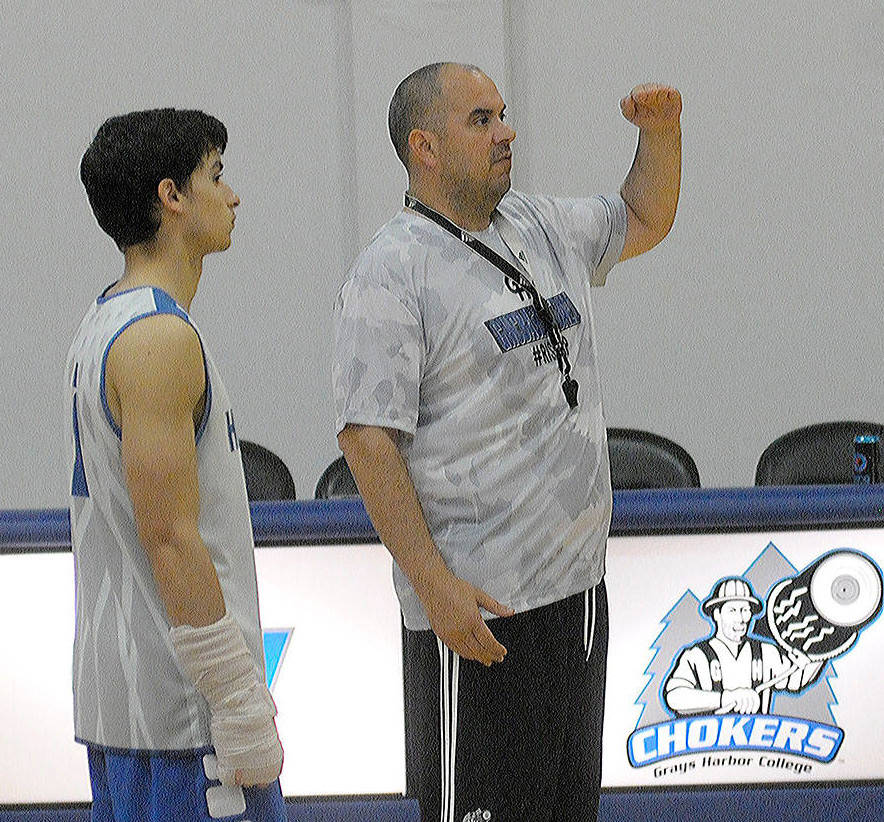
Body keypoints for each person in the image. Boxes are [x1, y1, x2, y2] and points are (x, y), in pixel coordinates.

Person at [333, 62, 681, 821]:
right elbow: (367, 440)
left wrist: (660, 135)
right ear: (425, 147)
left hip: (577, 594)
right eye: (482, 120)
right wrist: (433, 584)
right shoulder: (392, 272)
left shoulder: (539, 223)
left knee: (565, 808)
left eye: (502, 115)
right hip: (482, 609)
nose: (507, 132)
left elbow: (643, 218)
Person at [68, 108, 284, 822]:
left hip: (132, 704)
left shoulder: (106, 320)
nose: (234, 195)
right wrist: (237, 699)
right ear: (172, 197)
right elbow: (169, 536)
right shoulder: (158, 336)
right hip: (180, 714)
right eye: (216, 176)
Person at [664, 577, 824, 716]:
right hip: (709, 749)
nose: (741, 619)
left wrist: (817, 654)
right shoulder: (697, 656)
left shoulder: (766, 652)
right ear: (716, 614)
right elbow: (675, 697)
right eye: (733, 610)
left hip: (758, 748)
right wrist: (727, 698)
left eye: (745, 610)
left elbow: (796, 681)